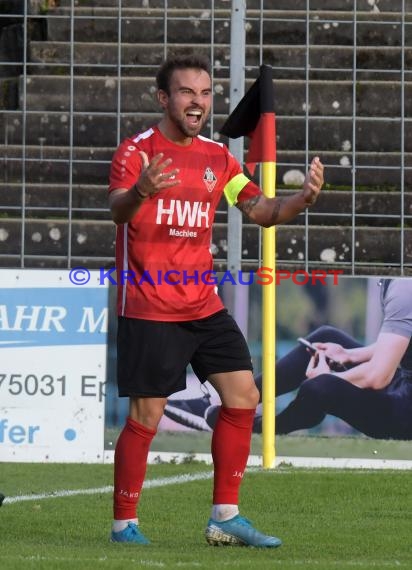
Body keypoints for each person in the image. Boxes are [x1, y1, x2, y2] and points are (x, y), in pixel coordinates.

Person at [108, 53, 324, 547]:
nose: (198, 103)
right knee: (147, 416)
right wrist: (141, 190)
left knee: (244, 397)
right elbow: (118, 211)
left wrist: (302, 201)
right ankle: (124, 524)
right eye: (187, 93)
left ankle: (224, 517)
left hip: (202, 305)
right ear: (164, 98)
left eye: (205, 94)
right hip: (149, 305)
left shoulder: (217, 157)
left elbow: (263, 210)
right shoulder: (136, 152)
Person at [167, 279, 412, 440]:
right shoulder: (399, 280)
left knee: (318, 388)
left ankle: (254, 427)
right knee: (324, 339)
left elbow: (378, 376)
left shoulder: (404, 287)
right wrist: (350, 354)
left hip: (404, 410)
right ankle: (233, 402)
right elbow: (399, 342)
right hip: (402, 383)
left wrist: (330, 377)